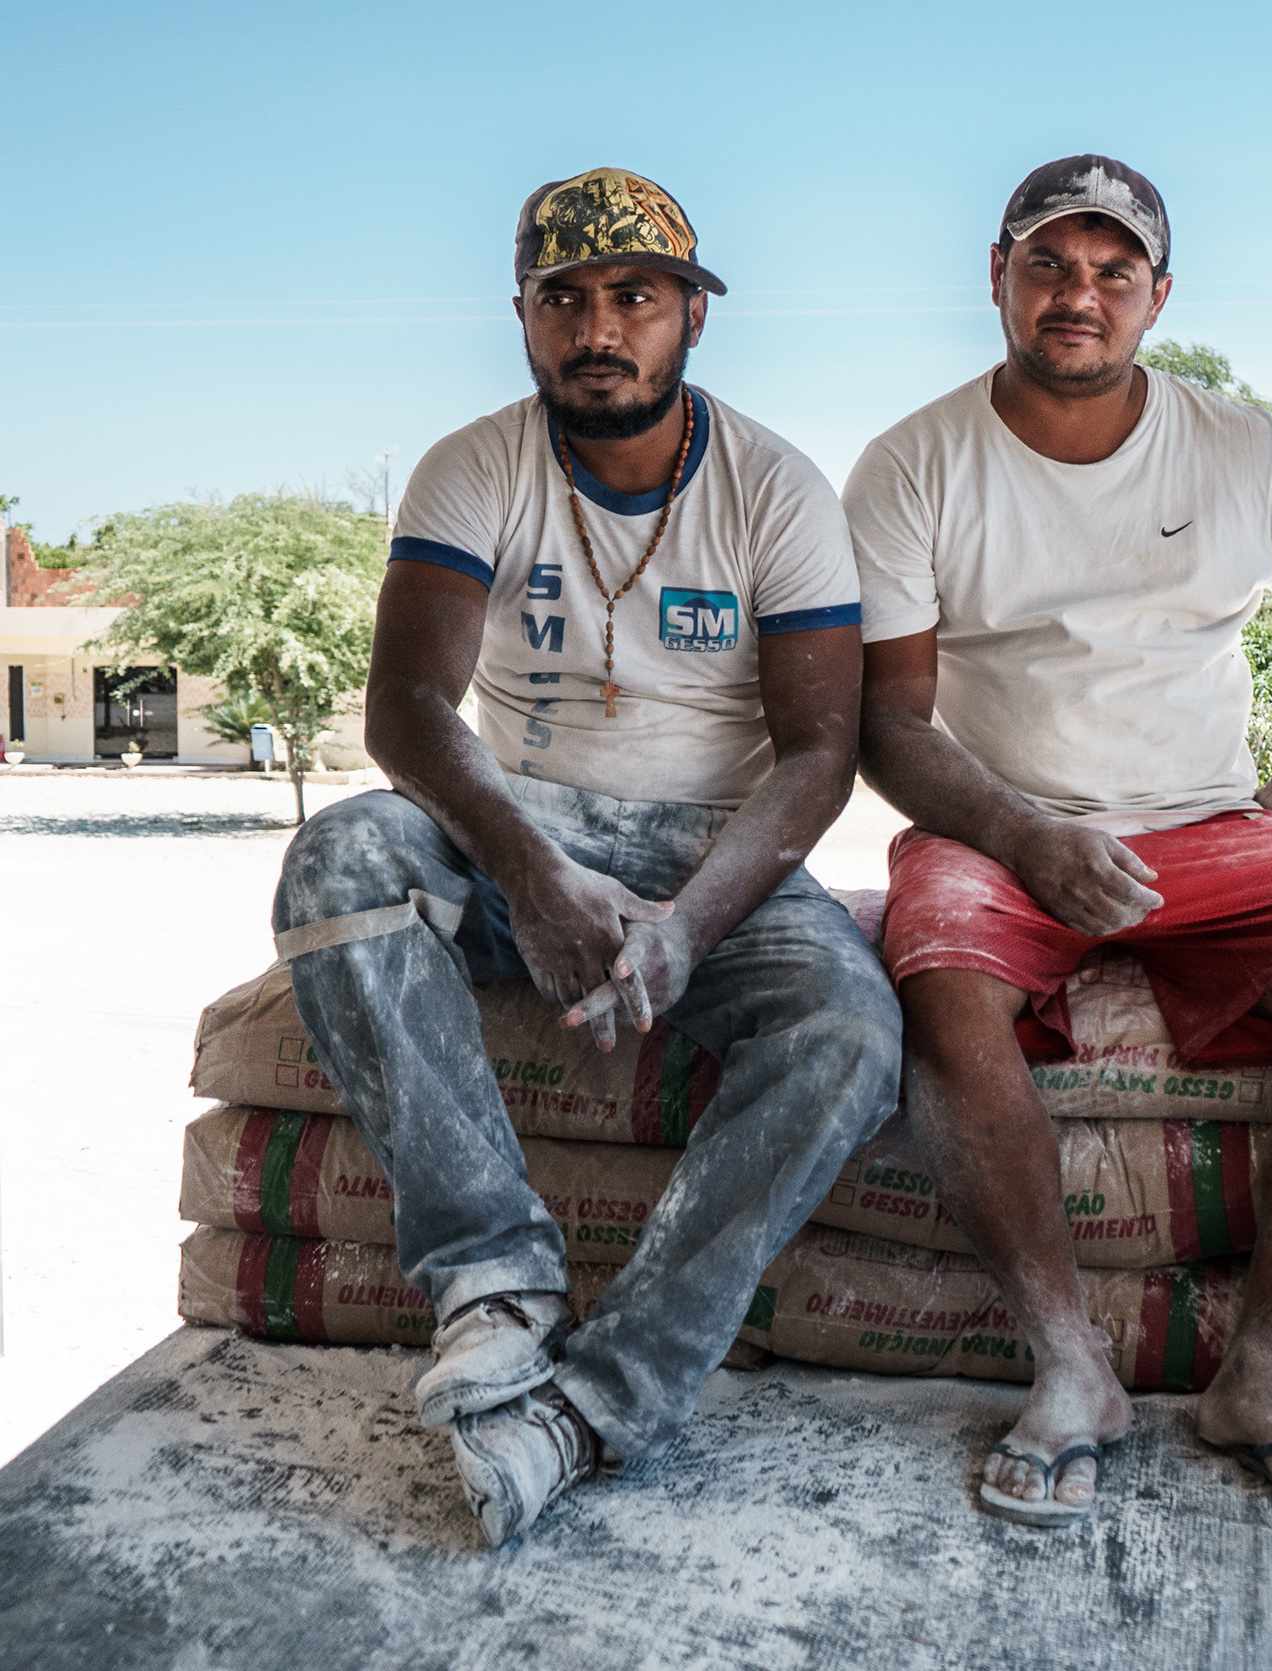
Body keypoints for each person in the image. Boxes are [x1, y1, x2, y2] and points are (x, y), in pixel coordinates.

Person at [271, 168, 899, 1547]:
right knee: (339, 860)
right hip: (524, 816)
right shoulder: (472, 464)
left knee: (851, 1029)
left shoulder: (778, 486)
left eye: (634, 297)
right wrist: (530, 875)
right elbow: (408, 711)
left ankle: (594, 1407)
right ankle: (492, 1285)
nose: (597, 327)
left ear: (691, 318)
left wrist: (682, 925)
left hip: (713, 849)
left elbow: (817, 757)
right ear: (523, 317)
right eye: (565, 299)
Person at [844, 154, 1272, 1527]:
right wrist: (1021, 833)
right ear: (996, 279)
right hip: (994, 822)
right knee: (936, 972)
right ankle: (1069, 1368)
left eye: (1114, 271)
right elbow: (891, 720)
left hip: (1211, 822)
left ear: (1157, 297)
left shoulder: (1241, 446)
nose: (1078, 294)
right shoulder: (911, 462)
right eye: (1049, 263)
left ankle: (1266, 1371)